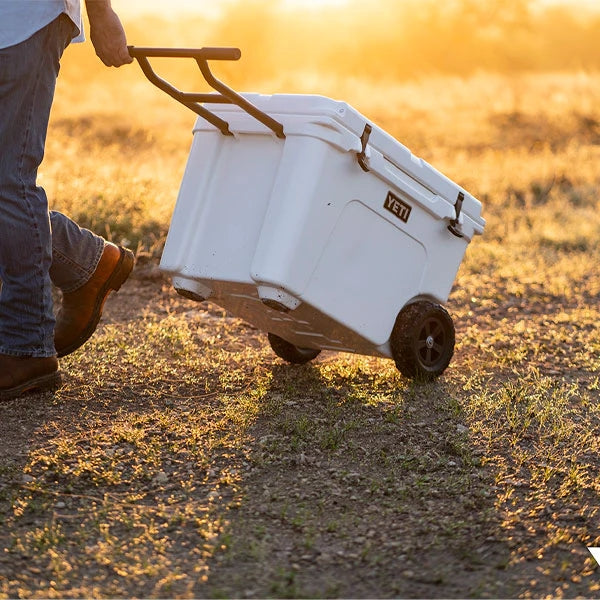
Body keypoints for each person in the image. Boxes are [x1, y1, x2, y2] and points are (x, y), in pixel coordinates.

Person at [0, 0, 134, 401]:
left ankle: (26, 346)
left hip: (21, 22)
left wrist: (100, 12)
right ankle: (88, 262)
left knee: (9, 180)